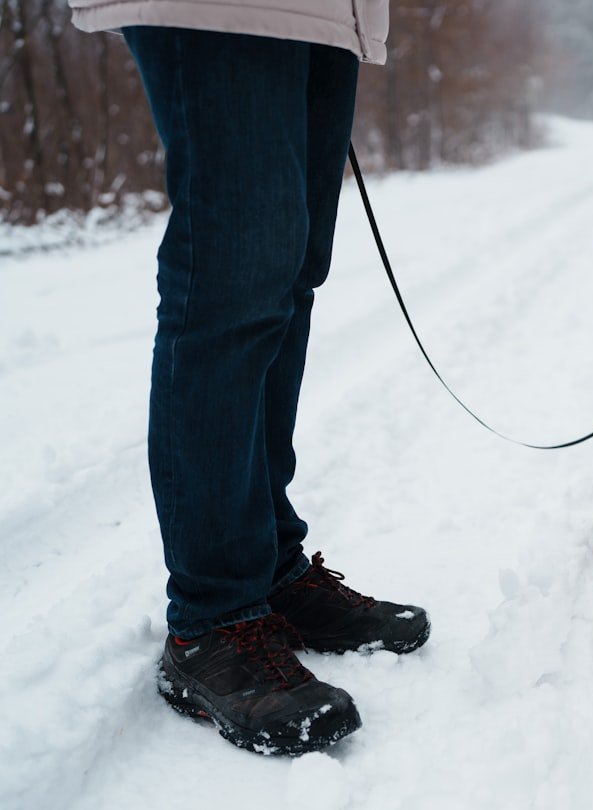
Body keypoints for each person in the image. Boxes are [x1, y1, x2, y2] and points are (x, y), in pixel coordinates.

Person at [68, 1, 430, 755]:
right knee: (232, 277)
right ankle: (213, 619)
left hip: (327, 15)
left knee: (288, 276)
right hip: (222, 7)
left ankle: (266, 569)